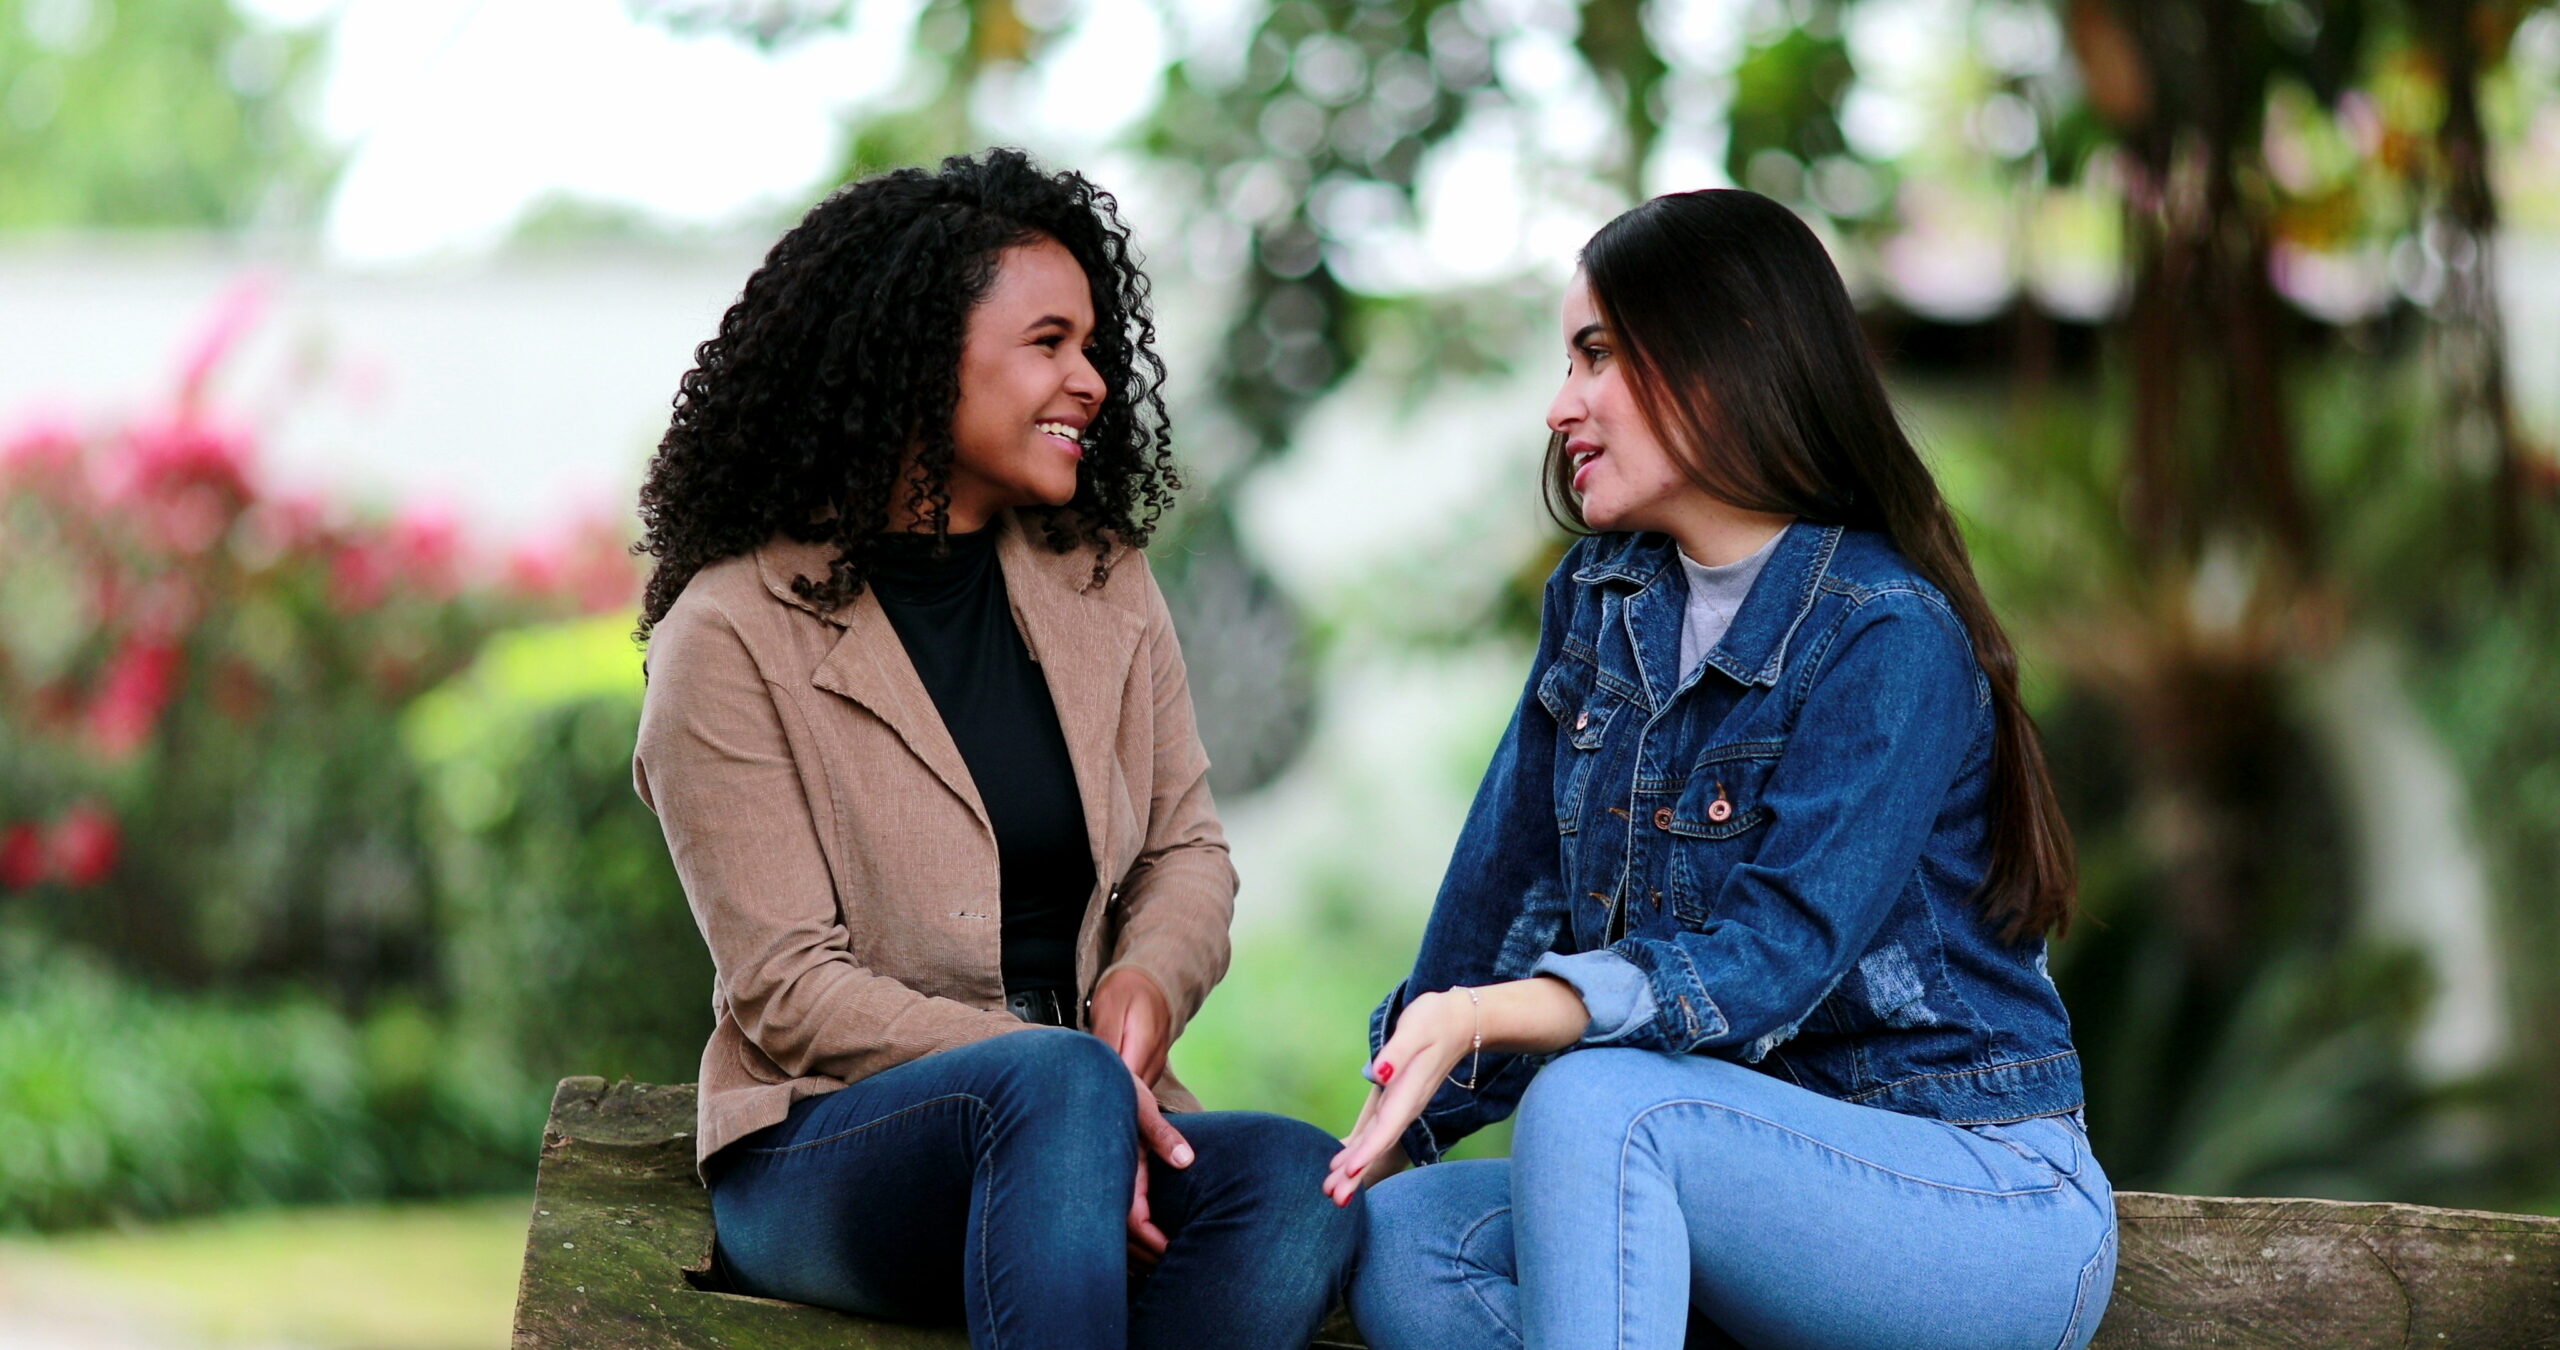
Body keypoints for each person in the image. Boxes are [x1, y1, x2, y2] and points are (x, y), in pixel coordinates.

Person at [1324, 188, 2116, 1350]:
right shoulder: (1602, 606)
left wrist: (1503, 1014)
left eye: (1595, 354)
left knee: (1599, 1104)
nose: (1559, 406)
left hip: (1976, 1199)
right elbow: (1500, 908)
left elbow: (1772, 957)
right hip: (1737, 1186)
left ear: (1717, 358)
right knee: (1408, 1249)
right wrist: (1393, 1118)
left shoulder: (1884, 630)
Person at [630, 148, 1357, 1350]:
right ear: (921, 361)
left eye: (1093, 347)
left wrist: (1142, 990)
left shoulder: (1101, 581)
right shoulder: (732, 634)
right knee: (1056, 1089)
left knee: (1293, 1182)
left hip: (1089, 1114)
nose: (1092, 382)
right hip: (831, 1148)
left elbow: (1186, 849)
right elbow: (788, 989)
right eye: (1049, 343)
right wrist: (1066, 1077)